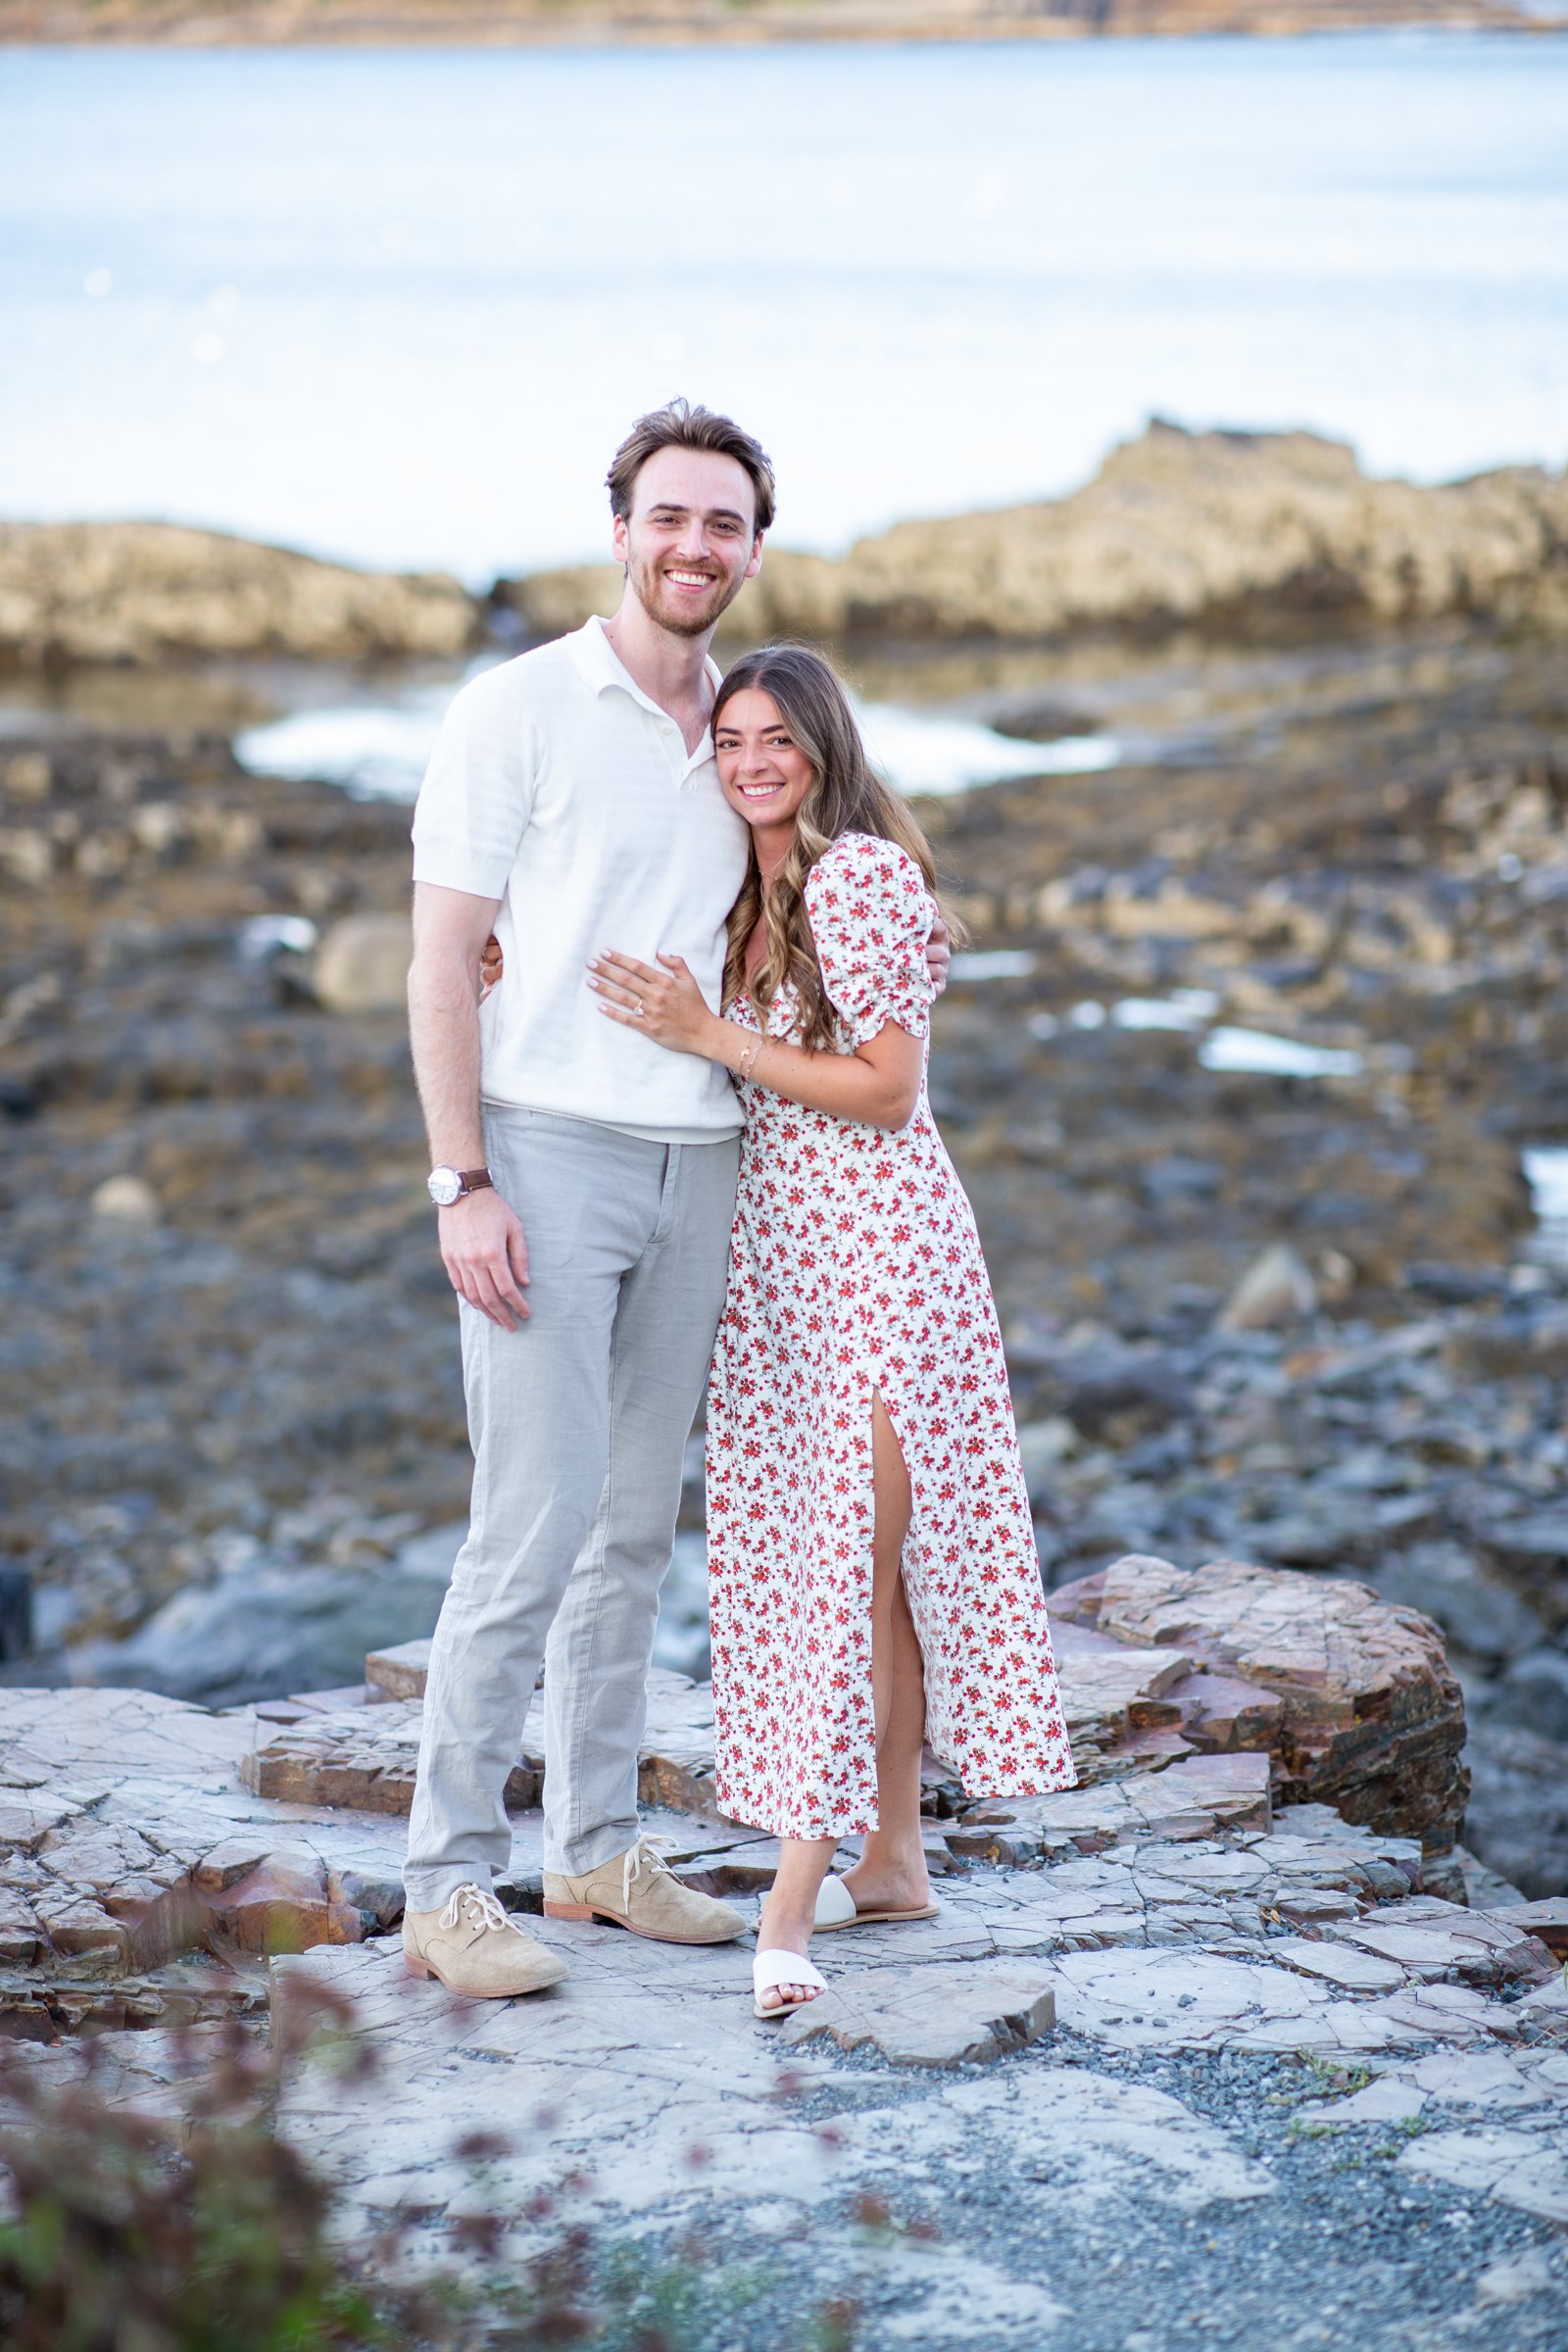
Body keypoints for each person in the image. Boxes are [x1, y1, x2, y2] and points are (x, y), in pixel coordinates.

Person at [400, 403, 950, 1998]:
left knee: (635, 1529)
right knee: (531, 1524)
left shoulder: (749, 729)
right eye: (668, 517)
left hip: (708, 1160)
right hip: (546, 1152)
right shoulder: (516, 709)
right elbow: (445, 958)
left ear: (754, 547)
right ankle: (446, 1884)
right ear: (621, 526)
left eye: (724, 524)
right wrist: (464, 1181)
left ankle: (591, 1853)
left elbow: (815, 923)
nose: (695, 546)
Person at [588, 645, 1076, 2020]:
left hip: (881, 1260)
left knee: (837, 1568)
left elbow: (883, 1090)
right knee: (860, 1576)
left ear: (823, 745)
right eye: (728, 739)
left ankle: (790, 1909)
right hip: (777, 1275)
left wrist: (710, 1034)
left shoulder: (861, 875)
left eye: (774, 739)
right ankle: (898, 1860)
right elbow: (638, 993)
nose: (749, 760)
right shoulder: (739, 889)